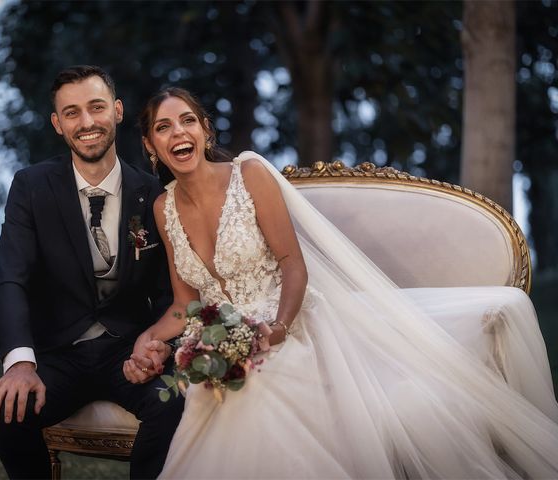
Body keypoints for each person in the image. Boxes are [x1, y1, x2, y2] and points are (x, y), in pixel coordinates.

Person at [134, 87, 558, 479]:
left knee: (259, 390)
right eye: (163, 127)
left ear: (205, 130)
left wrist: (276, 330)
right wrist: (149, 339)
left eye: (187, 120)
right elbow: (183, 303)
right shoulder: (163, 207)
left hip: (289, 323)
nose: (178, 133)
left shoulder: (249, 174)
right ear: (151, 146)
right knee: (215, 391)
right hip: (220, 339)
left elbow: (292, 264)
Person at [0, 65, 184, 480]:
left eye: (96, 107)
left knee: (172, 403)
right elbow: (11, 281)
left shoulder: (153, 194)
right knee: (8, 413)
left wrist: (161, 346)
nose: (87, 122)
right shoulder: (30, 186)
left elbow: (170, 292)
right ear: (58, 124)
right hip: (56, 352)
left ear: (117, 110)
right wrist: (19, 362)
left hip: (128, 350)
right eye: (72, 113)